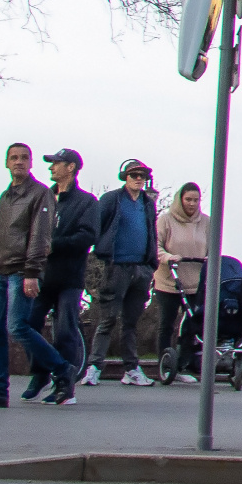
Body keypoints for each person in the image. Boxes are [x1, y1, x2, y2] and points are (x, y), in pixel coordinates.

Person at [0, 143, 63, 409]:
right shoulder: (5, 197)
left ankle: (63, 370)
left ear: (31, 163)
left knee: (17, 327)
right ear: (6, 163)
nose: (19, 162)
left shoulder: (41, 194)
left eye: (24, 158)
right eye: (14, 158)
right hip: (0, 271)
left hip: (23, 271)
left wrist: (32, 272)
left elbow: (41, 237)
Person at [23, 149, 96, 406]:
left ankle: (65, 384)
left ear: (71, 167)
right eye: (51, 164)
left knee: (65, 329)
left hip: (69, 277)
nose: (51, 168)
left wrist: (54, 244)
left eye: (56, 163)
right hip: (41, 275)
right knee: (27, 325)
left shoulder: (87, 201)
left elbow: (88, 237)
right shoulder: (44, 196)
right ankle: (41, 373)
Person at [89, 160, 158, 384]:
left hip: (141, 268)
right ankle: (94, 366)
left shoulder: (148, 204)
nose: (139, 179)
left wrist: (151, 265)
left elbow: (151, 232)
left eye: (142, 175)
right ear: (125, 177)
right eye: (134, 175)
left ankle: (131, 369)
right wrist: (101, 256)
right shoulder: (112, 200)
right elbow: (96, 226)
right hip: (116, 266)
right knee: (108, 318)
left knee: (131, 322)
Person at [151, 183, 213, 377]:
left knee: (191, 324)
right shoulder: (165, 220)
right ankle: (165, 364)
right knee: (167, 323)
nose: (192, 204)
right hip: (169, 280)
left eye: (196, 200)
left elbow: (212, 247)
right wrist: (168, 257)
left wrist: (210, 259)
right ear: (180, 199)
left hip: (195, 281)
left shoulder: (206, 222)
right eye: (188, 200)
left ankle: (184, 363)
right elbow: (156, 246)